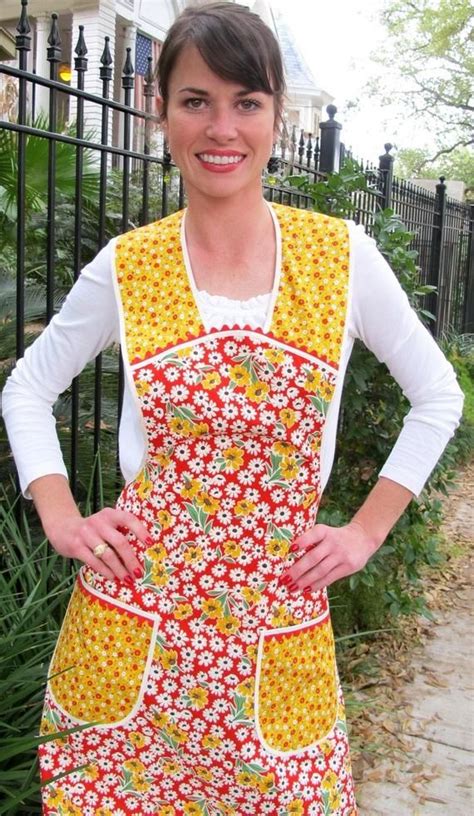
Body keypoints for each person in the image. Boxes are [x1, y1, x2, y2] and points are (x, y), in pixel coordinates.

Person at [2, 4, 463, 815]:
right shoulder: (127, 268)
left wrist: (367, 530)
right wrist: (62, 516)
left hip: (273, 635)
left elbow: (437, 396)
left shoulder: (340, 257)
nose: (222, 127)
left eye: (247, 101)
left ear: (279, 115)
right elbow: (27, 388)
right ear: (160, 108)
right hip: (132, 629)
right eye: (196, 100)